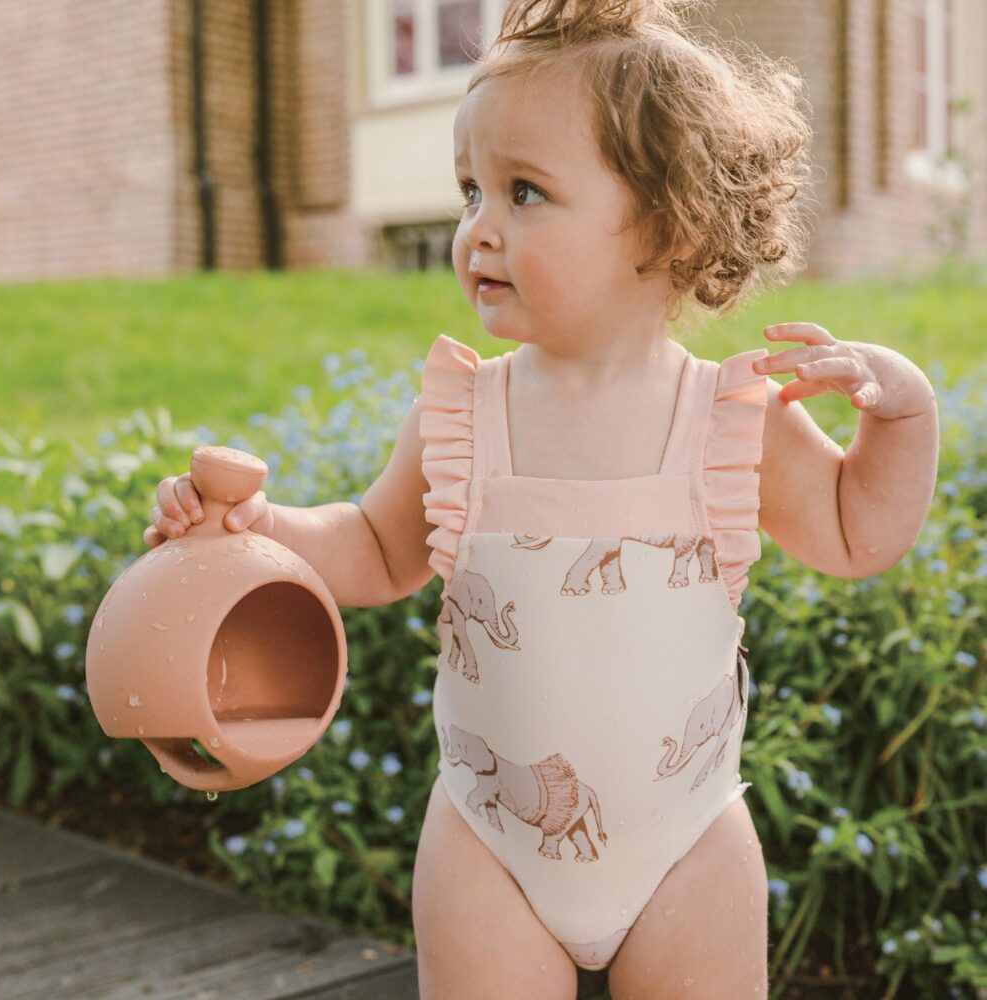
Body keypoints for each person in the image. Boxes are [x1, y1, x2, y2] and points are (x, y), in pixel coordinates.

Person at [145, 1, 939, 995]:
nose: (477, 227)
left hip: (685, 844)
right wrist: (257, 532)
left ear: (669, 221)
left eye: (524, 192)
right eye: (470, 189)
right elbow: (374, 547)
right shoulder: (463, 415)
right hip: (488, 844)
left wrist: (901, 422)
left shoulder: (728, 417)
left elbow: (857, 531)